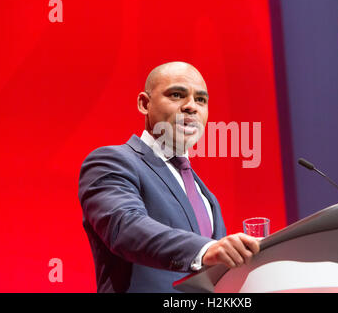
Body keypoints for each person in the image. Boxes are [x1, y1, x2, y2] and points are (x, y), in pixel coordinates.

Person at [78, 61, 260, 293]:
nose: (191, 107)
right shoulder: (112, 161)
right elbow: (125, 227)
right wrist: (205, 250)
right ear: (144, 103)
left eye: (201, 100)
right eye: (176, 95)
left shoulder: (206, 195)